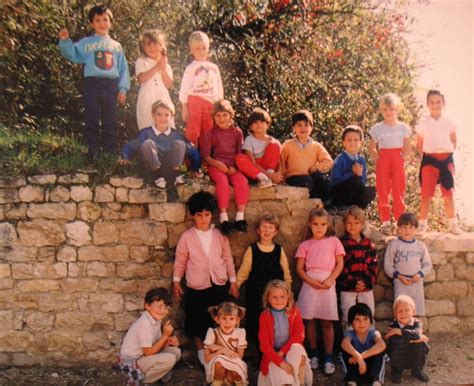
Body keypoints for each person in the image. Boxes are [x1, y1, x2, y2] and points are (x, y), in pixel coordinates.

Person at [172, 191, 239, 367]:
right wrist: (176, 281)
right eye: (199, 215)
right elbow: (181, 259)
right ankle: (202, 353)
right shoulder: (187, 237)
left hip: (219, 284)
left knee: (219, 319)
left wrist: (232, 281)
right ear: (193, 216)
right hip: (197, 285)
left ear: (212, 215)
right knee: (197, 321)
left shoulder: (219, 235)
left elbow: (228, 258)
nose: (204, 219)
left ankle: (218, 352)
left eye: (207, 214)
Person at [58, 4, 130, 160]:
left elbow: (123, 68)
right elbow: (73, 54)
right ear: (92, 24)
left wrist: (123, 89)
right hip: (92, 84)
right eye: (98, 20)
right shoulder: (87, 43)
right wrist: (65, 41)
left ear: (111, 23)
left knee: (109, 119)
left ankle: (109, 151)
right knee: (91, 117)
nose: (102, 23)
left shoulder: (116, 46)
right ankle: (92, 150)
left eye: (105, 20)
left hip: (110, 85)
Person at [295, 206, 345, 375]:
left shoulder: (334, 242)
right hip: (310, 284)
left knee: (327, 321)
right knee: (309, 320)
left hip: (327, 284)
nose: (319, 228)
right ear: (310, 224)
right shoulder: (305, 244)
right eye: (315, 224)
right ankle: (314, 353)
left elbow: (340, 263)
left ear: (328, 225)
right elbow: (300, 268)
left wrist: (331, 279)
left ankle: (329, 356)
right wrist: (310, 281)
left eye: (323, 224)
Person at [118, 100, 200, 189]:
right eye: (159, 114)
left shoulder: (176, 135)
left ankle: (176, 175)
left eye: (166, 115)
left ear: (171, 117)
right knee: (147, 143)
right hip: (152, 166)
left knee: (180, 144)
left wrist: (195, 168)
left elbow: (192, 150)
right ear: (153, 115)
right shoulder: (146, 132)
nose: (162, 118)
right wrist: (125, 156)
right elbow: (131, 145)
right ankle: (158, 176)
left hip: (170, 167)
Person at [236, 214, 292, 341]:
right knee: (256, 322)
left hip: (274, 295)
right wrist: (237, 285)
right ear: (258, 230)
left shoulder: (279, 250)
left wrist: (288, 289)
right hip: (255, 294)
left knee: (273, 322)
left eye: (271, 228)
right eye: (264, 227)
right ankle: (259, 353)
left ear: (276, 231)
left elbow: (286, 272)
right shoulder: (252, 249)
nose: (267, 231)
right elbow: (244, 270)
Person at [416, 89, 462, 234]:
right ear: (427, 104)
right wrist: (427, 155)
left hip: (446, 160)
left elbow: (454, 140)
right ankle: (422, 223)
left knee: (448, 193)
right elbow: (419, 143)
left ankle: (453, 223)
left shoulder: (449, 122)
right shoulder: (423, 123)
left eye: (438, 102)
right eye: (432, 102)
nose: (435, 105)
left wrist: (446, 153)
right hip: (429, 160)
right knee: (426, 194)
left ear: (443, 103)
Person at [200, 100, 249, 234]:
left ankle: (240, 219)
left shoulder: (237, 133)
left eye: (224, 115)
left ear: (230, 115)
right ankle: (224, 218)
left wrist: (235, 167)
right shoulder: (210, 133)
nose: (221, 119)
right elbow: (206, 156)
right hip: (216, 165)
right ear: (214, 117)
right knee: (222, 182)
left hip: (233, 167)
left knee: (242, 182)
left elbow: (239, 153)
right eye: (218, 116)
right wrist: (218, 164)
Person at [368, 93, 411, 235]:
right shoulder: (377, 128)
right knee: (383, 189)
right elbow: (372, 147)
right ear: (381, 110)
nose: (389, 113)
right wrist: (378, 158)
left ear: (397, 109)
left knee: (399, 189)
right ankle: (386, 222)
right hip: (383, 158)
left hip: (397, 158)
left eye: (392, 109)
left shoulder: (403, 127)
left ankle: (400, 222)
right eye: (385, 110)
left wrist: (403, 158)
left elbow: (408, 147)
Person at [119, 287, 181, 385]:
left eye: (166, 308)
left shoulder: (155, 320)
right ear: (147, 306)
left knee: (175, 351)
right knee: (169, 359)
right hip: (131, 362)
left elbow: (156, 344)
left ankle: (157, 377)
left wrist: (167, 341)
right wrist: (165, 336)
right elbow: (149, 352)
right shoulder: (145, 324)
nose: (163, 311)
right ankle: (140, 381)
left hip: (143, 357)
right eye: (159, 306)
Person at [258, 280, 312, 386]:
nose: (279, 300)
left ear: (288, 297)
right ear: (268, 298)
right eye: (274, 297)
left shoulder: (294, 311)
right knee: (284, 381)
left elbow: (299, 335)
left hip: (288, 350)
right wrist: (281, 362)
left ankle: (300, 382)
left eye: (282, 296)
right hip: (273, 354)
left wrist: (282, 351)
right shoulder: (264, 315)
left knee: (298, 348)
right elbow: (265, 345)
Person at [179, 31, 223, 148]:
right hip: (195, 101)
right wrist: (184, 106)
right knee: (193, 131)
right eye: (197, 49)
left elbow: (219, 87)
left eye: (204, 48)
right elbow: (184, 87)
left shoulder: (214, 68)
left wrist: (220, 104)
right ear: (191, 50)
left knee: (208, 131)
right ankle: (191, 159)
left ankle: (205, 159)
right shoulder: (191, 68)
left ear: (208, 48)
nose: (201, 51)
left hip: (210, 103)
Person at [384, 212, 432, 316]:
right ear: (399, 228)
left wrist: (420, 274)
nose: (407, 230)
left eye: (411, 227)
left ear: (415, 229)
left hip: (416, 283)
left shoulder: (420, 246)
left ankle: (415, 331)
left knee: (416, 312)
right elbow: (388, 265)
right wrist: (399, 276)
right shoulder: (395, 244)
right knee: (401, 312)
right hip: (401, 282)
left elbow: (427, 264)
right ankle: (400, 331)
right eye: (404, 227)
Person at [338, 206, 378, 331]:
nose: (352, 226)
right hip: (348, 287)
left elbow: (373, 264)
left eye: (356, 223)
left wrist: (365, 282)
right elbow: (340, 266)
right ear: (344, 224)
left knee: (368, 313)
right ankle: (349, 343)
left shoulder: (368, 244)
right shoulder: (340, 243)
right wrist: (353, 282)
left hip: (365, 288)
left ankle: (369, 341)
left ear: (362, 224)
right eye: (349, 223)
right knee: (347, 315)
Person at [280, 110, 333, 200]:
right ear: (293, 128)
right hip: (293, 178)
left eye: (306, 125)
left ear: (311, 128)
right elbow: (281, 162)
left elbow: (329, 162)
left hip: (310, 176)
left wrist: (316, 168)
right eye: (299, 125)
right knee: (308, 182)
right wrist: (281, 177)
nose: (303, 128)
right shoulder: (288, 145)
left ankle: (326, 203)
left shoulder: (316, 146)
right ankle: (317, 204)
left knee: (322, 179)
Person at [384, 295, 430, 383]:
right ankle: (397, 371)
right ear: (395, 314)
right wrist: (414, 338)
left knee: (421, 344)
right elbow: (391, 340)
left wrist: (398, 331)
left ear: (413, 311)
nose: (403, 313)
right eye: (400, 311)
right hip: (399, 355)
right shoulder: (393, 325)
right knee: (395, 343)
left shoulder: (417, 323)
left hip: (413, 354)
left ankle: (416, 370)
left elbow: (416, 334)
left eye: (407, 310)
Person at [235, 108, 284, 188]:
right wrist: (270, 175)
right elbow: (252, 163)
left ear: (267, 125)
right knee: (239, 157)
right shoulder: (249, 140)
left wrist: (278, 174)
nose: (259, 125)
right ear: (251, 127)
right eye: (255, 122)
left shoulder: (273, 141)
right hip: (255, 172)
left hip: (269, 170)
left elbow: (280, 162)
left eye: (262, 122)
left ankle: (269, 179)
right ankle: (264, 179)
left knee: (274, 145)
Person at [135, 29, 174, 130]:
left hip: (162, 98)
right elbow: (141, 79)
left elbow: (169, 84)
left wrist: (163, 67)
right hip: (147, 98)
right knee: (147, 124)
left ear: (161, 46)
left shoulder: (167, 66)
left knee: (165, 125)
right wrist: (157, 67)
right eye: (148, 44)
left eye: (155, 43)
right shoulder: (141, 61)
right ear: (143, 47)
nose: (152, 47)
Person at [329, 125, 376, 209]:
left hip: (354, 192)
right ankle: (342, 207)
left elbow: (362, 182)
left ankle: (357, 209)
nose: (352, 143)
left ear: (361, 142)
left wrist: (360, 175)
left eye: (356, 140)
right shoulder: (340, 159)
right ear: (344, 142)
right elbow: (334, 182)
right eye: (349, 140)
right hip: (340, 192)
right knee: (354, 180)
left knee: (371, 191)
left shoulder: (361, 160)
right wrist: (352, 174)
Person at [340, 303, 386, 386]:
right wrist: (358, 357)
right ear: (351, 322)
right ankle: (351, 381)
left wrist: (361, 357)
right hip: (356, 370)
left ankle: (376, 381)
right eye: (357, 319)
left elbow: (382, 345)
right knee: (345, 350)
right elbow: (344, 343)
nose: (362, 323)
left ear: (370, 321)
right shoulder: (350, 334)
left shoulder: (374, 333)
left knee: (380, 351)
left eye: (365, 319)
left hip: (371, 370)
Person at [204, 302, 248, 386]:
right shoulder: (212, 333)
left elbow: (238, 357)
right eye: (224, 318)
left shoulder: (240, 332)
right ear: (217, 319)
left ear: (237, 320)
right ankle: (217, 383)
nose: (227, 322)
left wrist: (218, 348)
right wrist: (222, 350)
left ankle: (239, 383)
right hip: (216, 369)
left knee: (234, 373)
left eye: (231, 318)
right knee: (219, 362)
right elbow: (207, 359)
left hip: (232, 366)